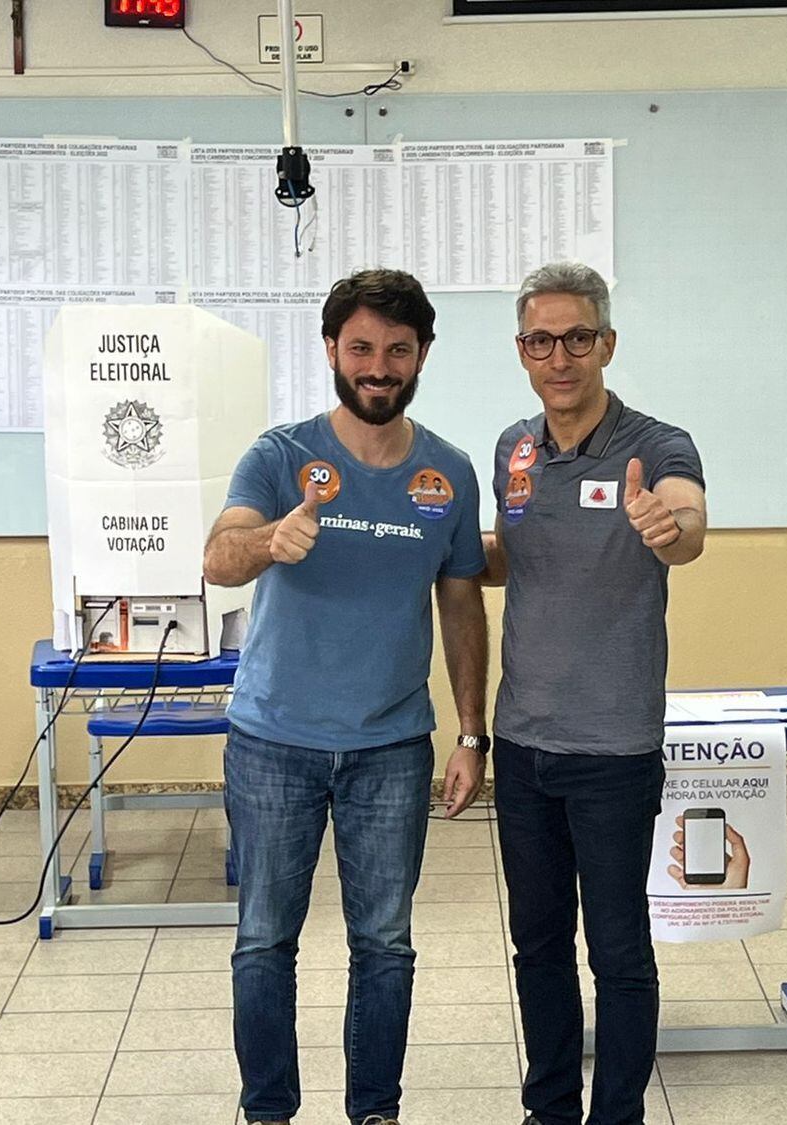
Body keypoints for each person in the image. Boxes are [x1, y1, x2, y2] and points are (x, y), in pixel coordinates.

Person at [202, 268, 491, 1125]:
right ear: (332, 349)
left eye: (397, 351)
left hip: (392, 746)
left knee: (386, 946)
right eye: (361, 347)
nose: (378, 366)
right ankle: (268, 1111)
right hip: (273, 742)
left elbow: (463, 600)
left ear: (422, 357)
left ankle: (375, 1109)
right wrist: (268, 540)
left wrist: (473, 735)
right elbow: (218, 557)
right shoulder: (280, 455)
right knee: (263, 941)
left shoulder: (448, 471)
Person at [480, 261, 707, 1125]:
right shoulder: (515, 448)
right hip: (525, 741)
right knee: (537, 944)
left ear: (606, 343)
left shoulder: (658, 443)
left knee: (618, 951)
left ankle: (618, 1115)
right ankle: (549, 1109)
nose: (561, 357)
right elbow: (512, 556)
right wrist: (432, 552)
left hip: (613, 749)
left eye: (579, 337)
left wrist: (670, 526)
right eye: (542, 340)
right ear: (523, 351)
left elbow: (686, 524)